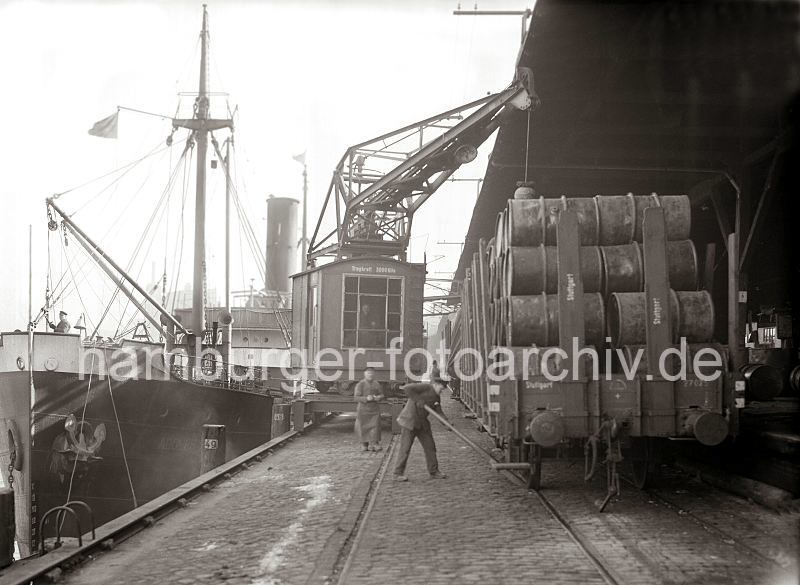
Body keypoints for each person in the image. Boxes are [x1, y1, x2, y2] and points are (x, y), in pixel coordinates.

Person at [393, 378, 448, 481]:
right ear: (436, 385)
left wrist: (446, 422)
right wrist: (418, 399)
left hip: (422, 423)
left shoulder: (437, 397)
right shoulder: (425, 387)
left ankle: (434, 472)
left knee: (430, 447)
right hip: (409, 421)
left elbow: (439, 411)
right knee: (405, 448)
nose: (442, 390)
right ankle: (397, 473)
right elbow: (407, 388)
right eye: (442, 387)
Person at [353, 367, 385, 451]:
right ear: (365, 374)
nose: (370, 375)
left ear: (374, 374)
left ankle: (375, 443)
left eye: (371, 373)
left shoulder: (377, 384)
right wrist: (366, 398)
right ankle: (364, 444)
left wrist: (378, 397)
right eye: (368, 373)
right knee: (363, 427)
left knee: (376, 427)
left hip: (374, 409)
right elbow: (356, 398)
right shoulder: (360, 384)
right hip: (363, 410)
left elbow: (382, 395)